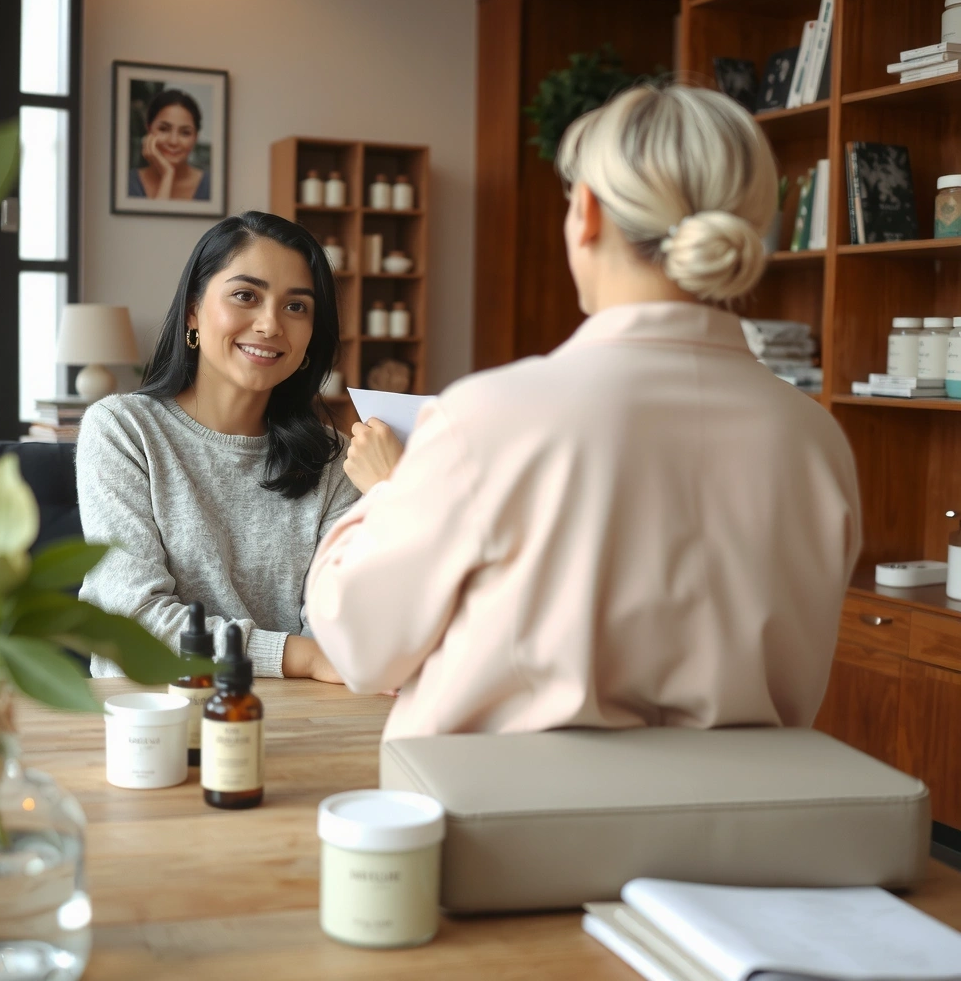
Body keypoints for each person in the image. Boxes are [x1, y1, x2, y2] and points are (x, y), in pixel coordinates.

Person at [305, 83, 862, 740]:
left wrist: (391, 495)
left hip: (506, 830)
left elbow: (363, 647)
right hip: (740, 836)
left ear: (587, 213)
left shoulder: (487, 419)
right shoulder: (815, 440)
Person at [78, 211, 357, 680]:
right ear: (193, 310)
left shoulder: (336, 459)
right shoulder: (123, 430)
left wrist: (393, 494)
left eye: (296, 307)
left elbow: (339, 632)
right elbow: (134, 620)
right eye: (245, 296)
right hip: (148, 717)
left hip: (292, 718)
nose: (270, 325)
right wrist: (302, 657)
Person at [128, 88, 211, 201]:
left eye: (185, 133)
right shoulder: (126, 183)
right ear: (148, 129)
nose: (173, 141)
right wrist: (167, 175)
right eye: (164, 129)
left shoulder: (211, 186)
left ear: (195, 137)